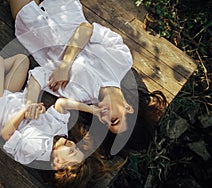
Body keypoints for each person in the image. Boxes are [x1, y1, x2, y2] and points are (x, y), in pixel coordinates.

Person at [0, 53, 106, 169]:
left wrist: (25, 112)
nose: (72, 144)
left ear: (57, 163)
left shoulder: (34, 151)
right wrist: (91, 109)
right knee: (21, 59)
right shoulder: (61, 134)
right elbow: (62, 104)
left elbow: (6, 133)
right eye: (75, 148)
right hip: (14, 100)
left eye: (70, 152)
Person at [8, 0, 135, 135]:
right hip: (62, 6)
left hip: (32, 25)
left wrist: (31, 103)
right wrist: (64, 66)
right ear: (128, 108)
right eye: (114, 120)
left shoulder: (78, 95)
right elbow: (86, 29)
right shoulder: (123, 60)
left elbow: (39, 76)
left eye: (105, 122)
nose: (105, 117)